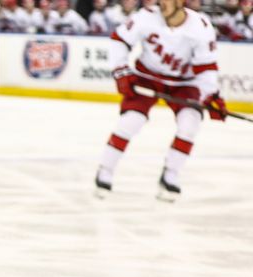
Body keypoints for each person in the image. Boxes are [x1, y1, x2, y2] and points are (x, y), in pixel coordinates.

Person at [94, 0, 227, 201]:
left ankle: (171, 175)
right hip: (147, 77)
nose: (161, 3)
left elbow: (206, 68)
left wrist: (210, 96)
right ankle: (105, 169)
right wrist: (121, 72)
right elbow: (119, 39)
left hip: (184, 83)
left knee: (190, 123)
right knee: (131, 120)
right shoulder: (146, 16)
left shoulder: (201, 26)